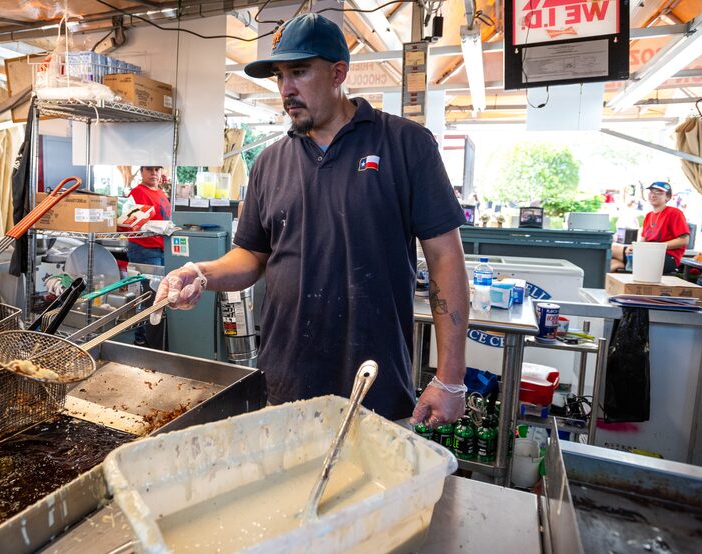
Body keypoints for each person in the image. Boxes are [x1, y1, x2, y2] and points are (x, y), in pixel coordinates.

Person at [152, 13, 469, 424]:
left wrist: (450, 379)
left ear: (338, 72)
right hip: (284, 385)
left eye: (299, 72)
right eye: (280, 76)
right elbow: (251, 255)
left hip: (373, 384)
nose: (286, 89)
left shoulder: (405, 145)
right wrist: (201, 272)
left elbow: (446, 258)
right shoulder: (269, 162)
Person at [127, 165, 171, 346]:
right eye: (149, 169)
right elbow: (133, 221)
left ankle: (156, 339)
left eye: (157, 169)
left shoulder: (160, 192)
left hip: (161, 249)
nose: (154, 173)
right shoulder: (137, 192)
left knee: (160, 296)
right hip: (144, 250)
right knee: (148, 297)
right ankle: (142, 340)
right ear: (141, 172)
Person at [610, 182, 690, 273]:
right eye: (651, 192)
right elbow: (644, 240)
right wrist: (634, 247)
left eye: (658, 192)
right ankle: (623, 270)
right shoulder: (649, 216)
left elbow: (684, 240)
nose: (653, 195)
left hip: (666, 257)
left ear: (667, 197)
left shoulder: (674, 213)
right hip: (648, 254)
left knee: (612, 248)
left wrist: (654, 247)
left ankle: (627, 267)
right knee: (613, 263)